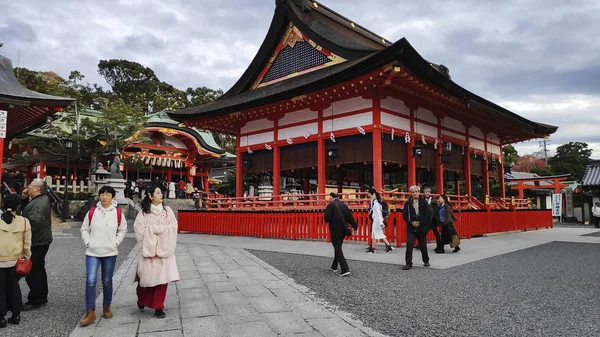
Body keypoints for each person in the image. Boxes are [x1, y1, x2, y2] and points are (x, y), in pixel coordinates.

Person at [79, 186, 128, 326]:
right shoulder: (92, 212)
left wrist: (116, 242)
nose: (104, 197)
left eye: (107, 194)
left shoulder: (118, 213)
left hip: (110, 252)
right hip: (92, 252)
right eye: (102, 194)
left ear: (113, 197)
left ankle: (107, 306)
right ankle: (90, 311)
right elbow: (84, 229)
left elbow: (123, 230)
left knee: (107, 281)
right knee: (90, 280)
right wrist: (88, 242)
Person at [134, 184, 179, 318]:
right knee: (147, 280)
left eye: (161, 193)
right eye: (158, 193)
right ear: (150, 196)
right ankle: (142, 300)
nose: (161, 195)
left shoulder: (168, 211)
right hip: (149, 251)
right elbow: (139, 229)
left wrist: (153, 229)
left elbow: (173, 226)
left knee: (162, 280)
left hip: (164, 251)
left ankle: (159, 306)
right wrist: (157, 230)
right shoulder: (143, 213)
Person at [20, 178, 52, 310]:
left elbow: (35, 223)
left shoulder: (38, 204)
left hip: (37, 241)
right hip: (42, 239)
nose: (28, 188)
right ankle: (41, 296)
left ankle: (35, 299)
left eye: (30, 186)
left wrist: (23, 235)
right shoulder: (40, 200)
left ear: (38, 189)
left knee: (33, 271)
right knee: (39, 269)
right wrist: (23, 199)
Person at [0, 194, 31, 328]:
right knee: (14, 287)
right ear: (18, 206)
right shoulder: (24, 221)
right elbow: (27, 243)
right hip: (16, 260)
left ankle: (1, 318)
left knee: (0, 289)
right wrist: (27, 256)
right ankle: (16, 314)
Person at [324, 192, 357, 277]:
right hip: (343, 229)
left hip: (335, 229)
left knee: (337, 247)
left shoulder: (330, 205)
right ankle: (334, 266)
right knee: (338, 246)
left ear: (331, 197)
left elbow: (327, 218)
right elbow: (350, 217)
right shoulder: (344, 205)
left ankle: (345, 268)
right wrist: (355, 226)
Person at [401, 185, 431, 270]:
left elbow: (428, 215)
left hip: (421, 226)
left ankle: (426, 260)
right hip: (411, 226)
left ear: (419, 192)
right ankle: (408, 263)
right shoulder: (407, 203)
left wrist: (419, 222)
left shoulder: (424, 202)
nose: (415, 193)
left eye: (416, 192)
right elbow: (404, 215)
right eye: (413, 192)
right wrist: (411, 222)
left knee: (422, 245)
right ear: (411, 193)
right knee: (409, 244)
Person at [365, 188, 393, 253]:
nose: (368, 194)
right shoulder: (374, 201)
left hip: (377, 220)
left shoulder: (376, 203)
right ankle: (374, 248)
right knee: (376, 234)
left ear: (373, 194)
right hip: (376, 220)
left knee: (377, 234)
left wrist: (381, 222)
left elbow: (379, 213)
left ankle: (388, 246)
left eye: (369, 193)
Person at [423, 187, 444, 253]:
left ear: (430, 193)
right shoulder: (422, 200)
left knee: (436, 233)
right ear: (424, 193)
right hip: (426, 219)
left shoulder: (433, 200)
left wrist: (436, 216)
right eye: (426, 192)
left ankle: (439, 246)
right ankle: (422, 246)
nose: (427, 193)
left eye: (428, 192)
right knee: (423, 233)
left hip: (433, 219)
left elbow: (436, 209)